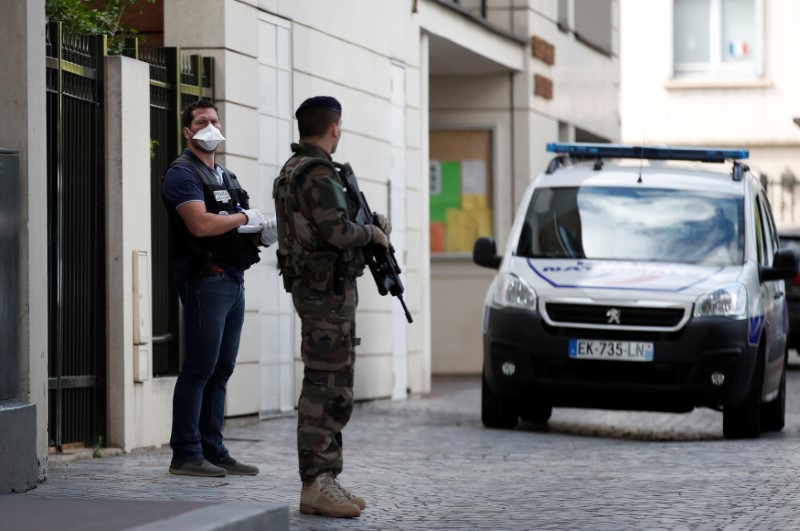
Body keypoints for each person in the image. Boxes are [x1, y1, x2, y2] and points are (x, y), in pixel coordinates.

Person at [273, 96, 391, 518]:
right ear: (334, 128)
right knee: (327, 385)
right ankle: (316, 483)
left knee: (330, 381)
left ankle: (326, 477)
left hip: (320, 290)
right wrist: (373, 234)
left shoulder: (293, 169)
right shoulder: (318, 172)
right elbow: (338, 230)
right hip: (326, 293)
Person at [162, 99, 277, 478]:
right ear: (187, 131)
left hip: (232, 277)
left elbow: (233, 226)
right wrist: (246, 217)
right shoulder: (183, 174)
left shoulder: (225, 176)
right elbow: (201, 226)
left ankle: (213, 449)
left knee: (223, 368)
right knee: (199, 367)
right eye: (201, 121)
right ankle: (186, 452)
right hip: (205, 278)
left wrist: (260, 233)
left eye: (214, 120)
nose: (210, 126)